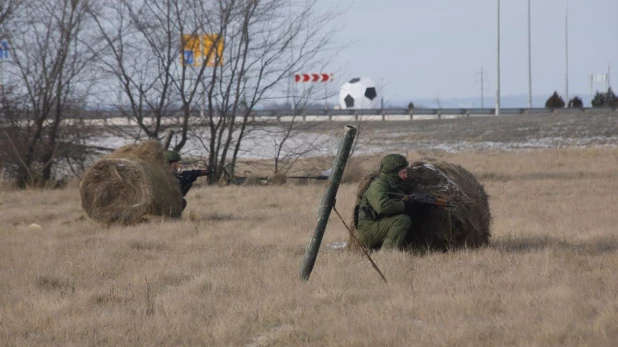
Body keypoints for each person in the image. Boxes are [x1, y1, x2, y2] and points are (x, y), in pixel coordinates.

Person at [355, 154, 417, 251]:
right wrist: (405, 205)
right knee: (402, 220)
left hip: (380, 224)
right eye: (403, 172)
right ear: (393, 173)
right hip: (368, 229)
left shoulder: (396, 185)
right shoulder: (378, 185)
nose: (406, 176)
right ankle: (387, 255)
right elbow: (382, 206)